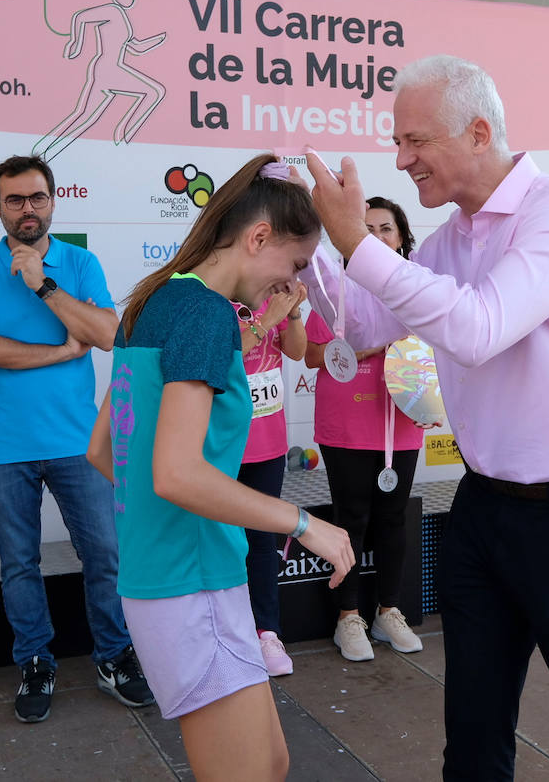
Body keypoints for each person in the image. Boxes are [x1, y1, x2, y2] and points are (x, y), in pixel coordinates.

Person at [302, 55, 549, 781]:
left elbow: (477, 328)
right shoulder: (445, 242)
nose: (400, 161)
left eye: (415, 142)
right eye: (397, 144)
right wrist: (309, 238)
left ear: (476, 131)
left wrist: (359, 244)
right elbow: (359, 325)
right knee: (472, 727)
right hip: (487, 508)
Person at [88, 153, 353, 782]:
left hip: (184, 579)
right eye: (292, 265)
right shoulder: (203, 310)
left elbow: (105, 451)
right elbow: (174, 474)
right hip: (191, 583)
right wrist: (302, 523)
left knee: (272, 762)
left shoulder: (154, 298)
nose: (289, 285)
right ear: (259, 236)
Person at [0, 155, 153, 723]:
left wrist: (44, 287)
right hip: (0, 445)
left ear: (53, 201)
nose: (26, 209)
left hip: (77, 442)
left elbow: (110, 335)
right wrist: (62, 351)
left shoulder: (80, 262)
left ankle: (114, 656)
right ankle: (35, 661)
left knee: (106, 555)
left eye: (36, 198)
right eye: (14, 200)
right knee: (19, 562)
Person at [304, 196, 426, 662]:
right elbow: (315, 356)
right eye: (366, 228)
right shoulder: (331, 287)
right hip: (347, 421)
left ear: (401, 238)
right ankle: (348, 617)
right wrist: (365, 345)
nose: (376, 236)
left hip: (403, 416)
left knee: (393, 517)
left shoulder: (417, 291)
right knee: (351, 517)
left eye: (386, 229)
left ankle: (387, 611)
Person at [234, 281, 308, 676]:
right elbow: (227, 354)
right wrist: (269, 318)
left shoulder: (273, 297)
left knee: (262, 542)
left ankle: (267, 632)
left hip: (268, 445)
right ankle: (227, 632)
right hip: (222, 446)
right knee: (220, 538)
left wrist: (292, 312)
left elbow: (296, 351)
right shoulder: (211, 297)